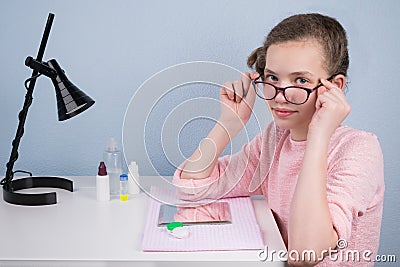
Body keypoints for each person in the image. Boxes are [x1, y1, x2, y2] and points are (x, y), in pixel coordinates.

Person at [172, 13, 384, 266]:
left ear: (334, 86)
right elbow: (193, 188)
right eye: (272, 78)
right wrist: (228, 125)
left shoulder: (360, 149)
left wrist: (318, 136)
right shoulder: (275, 139)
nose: (280, 96)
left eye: (301, 80)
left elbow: (306, 254)